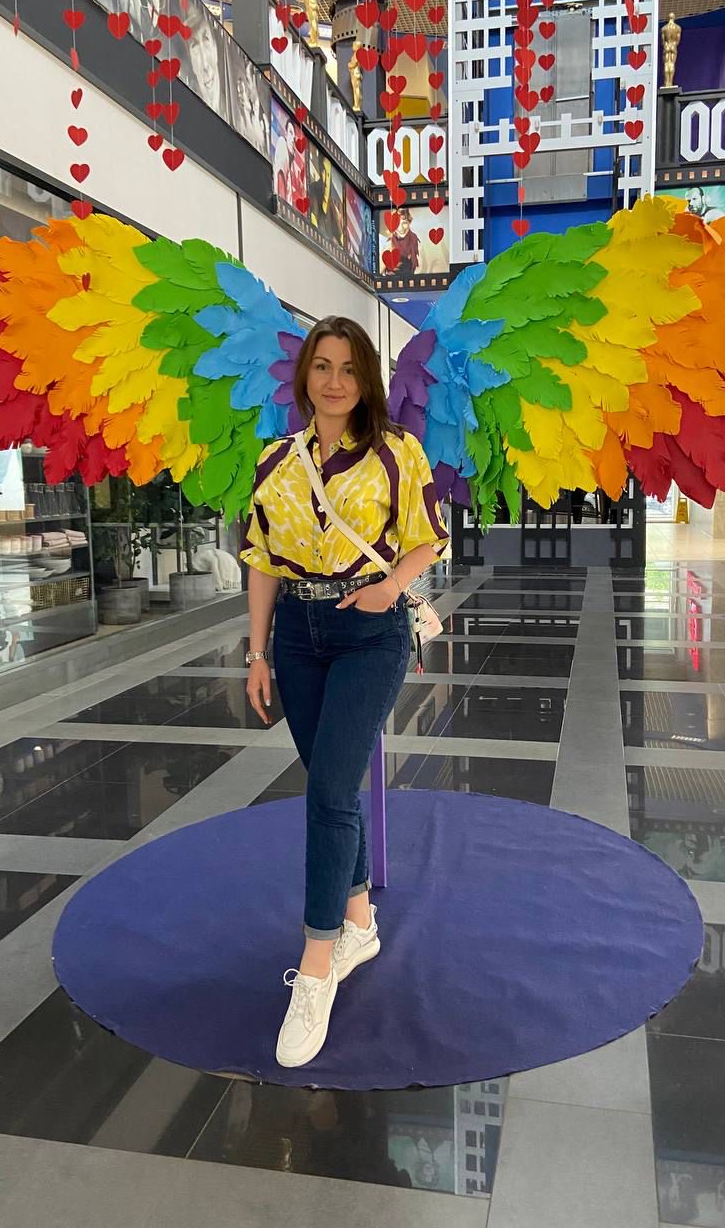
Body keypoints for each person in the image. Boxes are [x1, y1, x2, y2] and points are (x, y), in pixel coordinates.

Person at [240, 316, 449, 1068]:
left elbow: (427, 535)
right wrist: (257, 652)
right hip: (297, 636)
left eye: (349, 368)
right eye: (322, 366)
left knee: (329, 790)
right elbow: (262, 559)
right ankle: (359, 920)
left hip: (370, 631)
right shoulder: (274, 460)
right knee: (331, 784)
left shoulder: (397, 451)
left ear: (367, 379)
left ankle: (317, 964)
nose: (334, 381)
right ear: (305, 377)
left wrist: (391, 587)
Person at [388, 208, 420, 275]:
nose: (401, 228)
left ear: (409, 222)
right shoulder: (389, 243)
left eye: (404, 223)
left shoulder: (414, 240)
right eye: (397, 223)